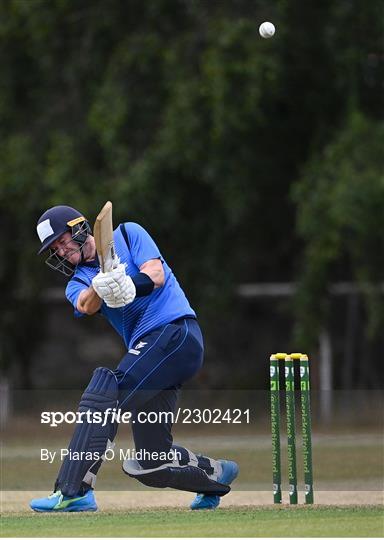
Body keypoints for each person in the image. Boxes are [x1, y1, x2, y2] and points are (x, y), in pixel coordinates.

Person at [30, 205, 238, 512]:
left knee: (104, 392)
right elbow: (86, 305)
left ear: (78, 228)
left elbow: (156, 274)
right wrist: (101, 284)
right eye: (55, 249)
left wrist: (131, 283)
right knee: (151, 463)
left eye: (62, 242)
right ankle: (214, 473)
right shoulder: (77, 282)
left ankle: (74, 491)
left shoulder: (127, 234)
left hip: (175, 332)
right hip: (155, 355)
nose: (60, 252)